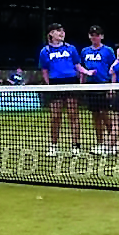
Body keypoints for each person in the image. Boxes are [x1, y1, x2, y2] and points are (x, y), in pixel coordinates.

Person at [39, 23, 94, 156]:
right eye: (58, 31)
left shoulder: (71, 48)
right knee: (55, 116)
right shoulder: (45, 51)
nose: (62, 33)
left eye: (63, 31)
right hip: (55, 83)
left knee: (73, 115)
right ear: (51, 34)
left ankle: (75, 146)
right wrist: (48, 85)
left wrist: (87, 72)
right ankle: (53, 146)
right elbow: (44, 70)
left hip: (71, 82)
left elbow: (77, 65)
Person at [80, 25, 116, 155]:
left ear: (101, 36)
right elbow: (82, 69)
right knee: (95, 115)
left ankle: (113, 142)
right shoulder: (85, 51)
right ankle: (100, 143)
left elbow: (113, 69)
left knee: (105, 114)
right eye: (92, 35)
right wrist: (82, 85)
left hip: (104, 84)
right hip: (91, 86)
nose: (94, 37)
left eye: (97, 35)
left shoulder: (108, 51)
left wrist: (112, 86)